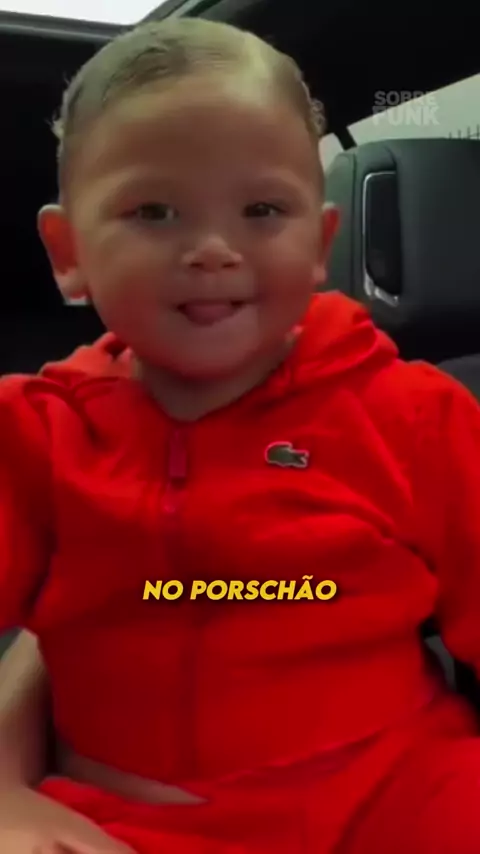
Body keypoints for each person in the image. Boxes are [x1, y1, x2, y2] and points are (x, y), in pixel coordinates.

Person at [2, 14, 480, 854]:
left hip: (400, 790)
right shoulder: (35, 436)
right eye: (154, 211)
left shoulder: (414, 415)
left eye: (262, 209)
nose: (214, 248)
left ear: (320, 243)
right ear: (68, 251)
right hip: (127, 820)